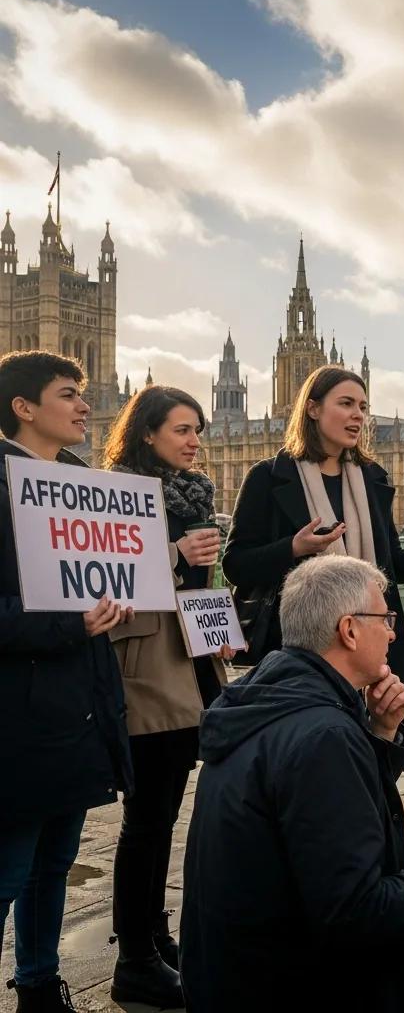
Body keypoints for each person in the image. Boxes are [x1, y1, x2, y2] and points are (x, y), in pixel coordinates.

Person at [179, 554, 404, 1011]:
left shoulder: (273, 699)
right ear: (349, 630)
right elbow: (357, 916)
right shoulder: (322, 736)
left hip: (235, 972)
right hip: (293, 984)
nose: (393, 631)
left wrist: (381, 735)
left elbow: (330, 818)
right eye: (384, 618)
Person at [223, 366, 404, 741]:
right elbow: (236, 564)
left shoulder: (371, 478)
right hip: (302, 648)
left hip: (372, 645)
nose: (358, 416)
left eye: (363, 407)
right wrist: (294, 548)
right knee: (308, 752)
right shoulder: (268, 478)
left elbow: (389, 566)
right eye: (346, 404)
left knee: (380, 751)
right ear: (313, 409)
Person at [0, 351, 133, 1013]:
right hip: (19, 714)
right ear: (24, 408)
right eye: (68, 394)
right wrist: (69, 623)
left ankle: (38, 984)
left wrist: (115, 600)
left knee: (55, 865)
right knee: (6, 872)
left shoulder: (83, 486)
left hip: (82, 704)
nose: (86, 405)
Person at [102, 385, 231, 1008]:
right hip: (148, 671)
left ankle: (156, 936)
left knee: (164, 820)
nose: (193, 441)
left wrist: (220, 632)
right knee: (144, 824)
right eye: (182, 429)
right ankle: (133, 958)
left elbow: (197, 591)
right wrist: (174, 553)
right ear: (147, 432)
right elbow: (106, 582)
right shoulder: (115, 497)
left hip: (194, 668)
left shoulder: (193, 496)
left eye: (197, 430)